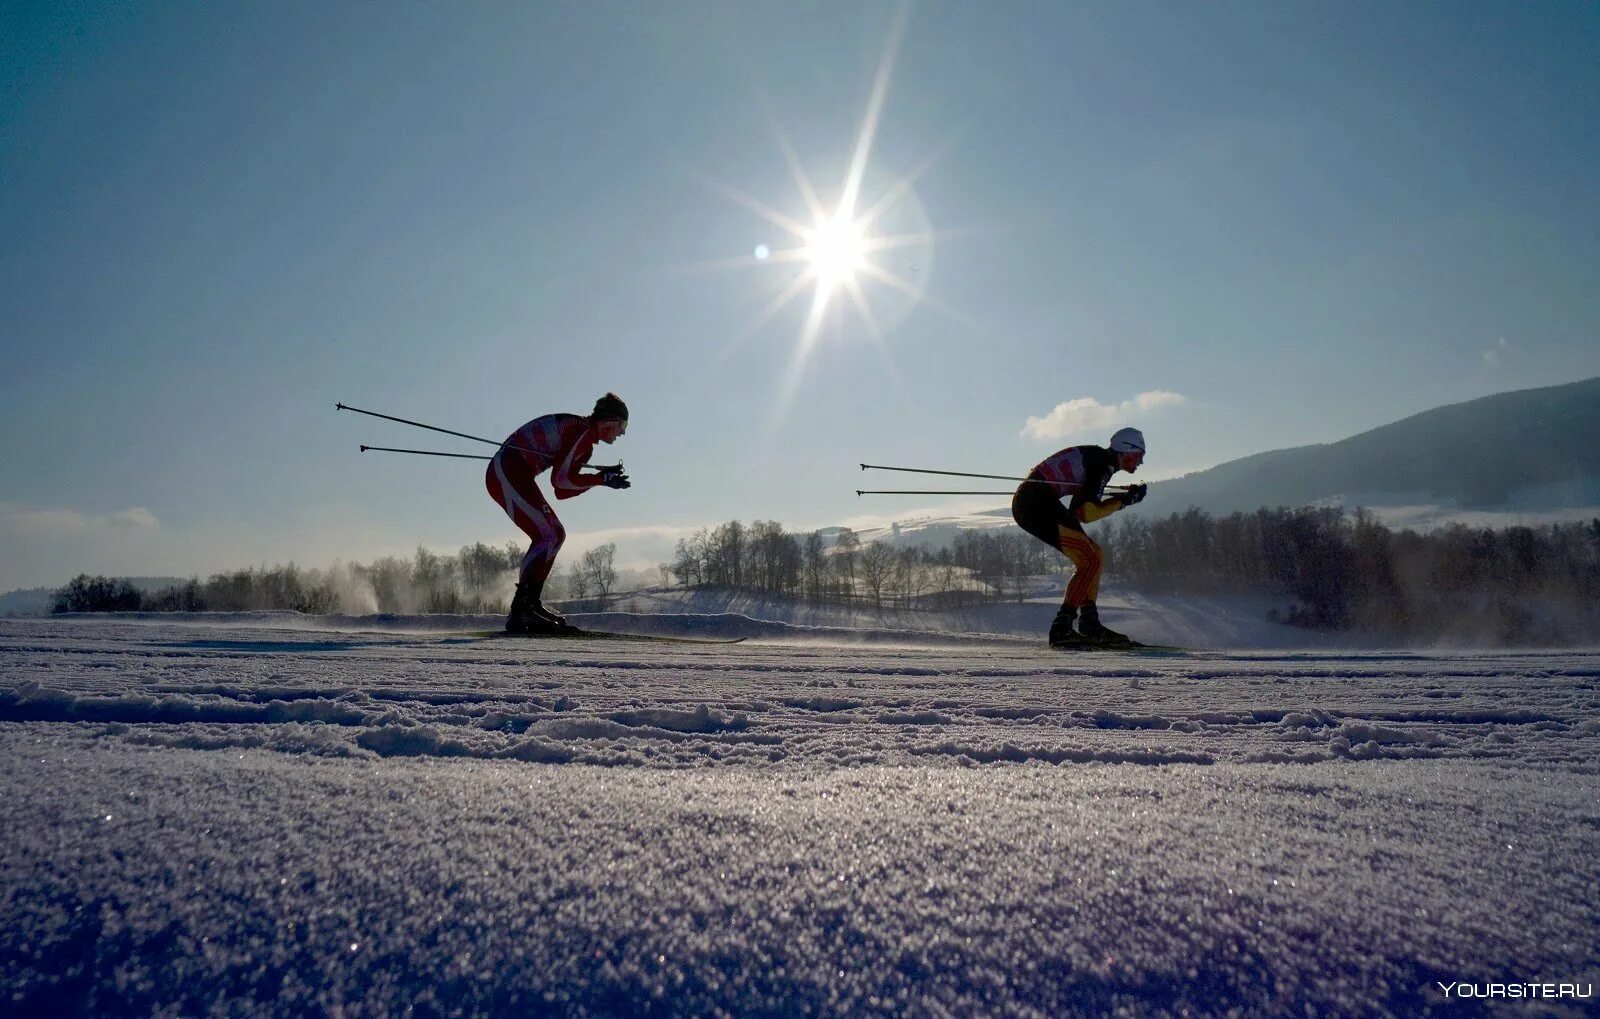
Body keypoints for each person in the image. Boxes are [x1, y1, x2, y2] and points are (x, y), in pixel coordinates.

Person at [486, 393, 631, 633]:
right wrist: (601, 479)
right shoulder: (583, 433)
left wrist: (600, 477)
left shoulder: (582, 433)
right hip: (508, 470)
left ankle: (529, 605)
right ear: (608, 421)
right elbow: (561, 482)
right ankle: (523, 610)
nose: (623, 432)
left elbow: (562, 489)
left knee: (554, 534)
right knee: (549, 534)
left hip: (510, 470)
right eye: (622, 425)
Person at [1012, 426, 1148, 646]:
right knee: (1090, 558)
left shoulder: (1099, 459)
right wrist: (1124, 501)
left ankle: (1088, 621)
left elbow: (1079, 512)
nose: (1141, 461)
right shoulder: (1103, 464)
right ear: (1127, 451)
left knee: (1094, 555)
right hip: (1035, 503)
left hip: (1033, 501)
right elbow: (1087, 513)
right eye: (1141, 454)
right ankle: (1063, 627)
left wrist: (1123, 499)